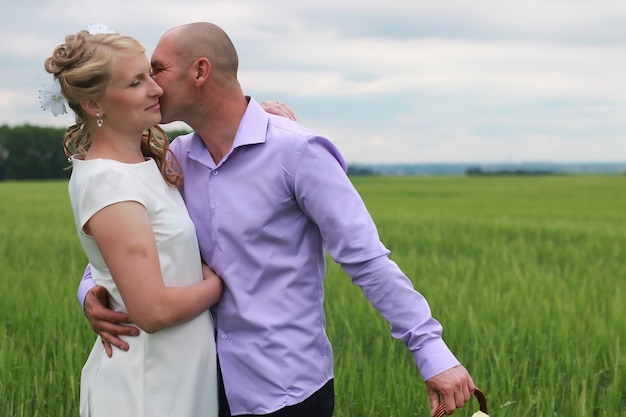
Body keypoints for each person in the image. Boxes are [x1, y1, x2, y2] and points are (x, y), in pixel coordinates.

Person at [78, 22, 476, 417]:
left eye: (157, 70)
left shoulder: (298, 152)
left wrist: (431, 352)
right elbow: (132, 245)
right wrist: (91, 292)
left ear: (200, 72)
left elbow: (366, 258)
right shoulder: (176, 160)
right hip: (199, 389)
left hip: (286, 391)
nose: (153, 86)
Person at [43, 26, 293, 417]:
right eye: (136, 81)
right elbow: (152, 311)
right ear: (94, 104)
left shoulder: (152, 164)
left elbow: (128, 261)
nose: (156, 89)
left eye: (151, 74)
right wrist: (219, 283)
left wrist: (263, 118)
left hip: (177, 375)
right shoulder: (108, 180)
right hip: (147, 386)